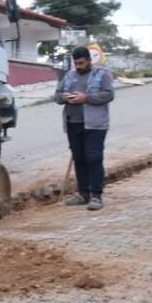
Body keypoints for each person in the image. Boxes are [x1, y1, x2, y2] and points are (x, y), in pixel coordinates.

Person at [55, 46, 115, 210]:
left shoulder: (102, 74)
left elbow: (109, 95)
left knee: (93, 157)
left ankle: (96, 195)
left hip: (95, 124)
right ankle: (83, 193)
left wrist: (86, 98)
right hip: (73, 123)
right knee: (79, 158)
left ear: (89, 60)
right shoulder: (69, 75)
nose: (78, 66)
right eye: (76, 63)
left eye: (81, 62)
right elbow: (56, 95)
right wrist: (64, 97)